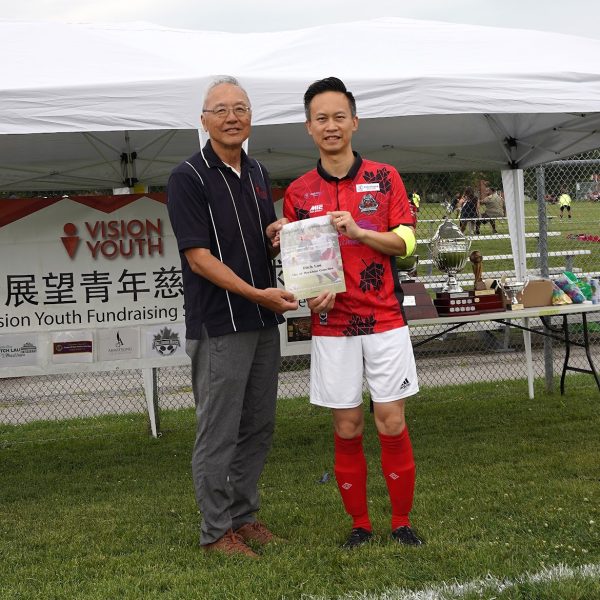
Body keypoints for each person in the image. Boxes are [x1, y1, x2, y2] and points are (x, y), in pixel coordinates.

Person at [283, 77, 423, 549]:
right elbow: (300, 267)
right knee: (347, 426)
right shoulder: (299, 193)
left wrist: (361, 233)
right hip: (332, 327)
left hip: (385, 320)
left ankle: (401, 521)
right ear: (308, 127)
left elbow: (406, 243)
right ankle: (360, 524)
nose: (331, 126)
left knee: (391, 421)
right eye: (321, 118)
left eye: (339, 117)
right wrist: (308, 296)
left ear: (355, 122)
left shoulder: (386, 177)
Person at [167, 75, 298, 558]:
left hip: (260, 321)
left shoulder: (258, 171)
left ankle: (244, 516)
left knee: (258, 425)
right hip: (220, 322)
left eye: (240, 108)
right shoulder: (188, 176)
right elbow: (198, 257)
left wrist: (276, 237)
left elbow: (253, 242)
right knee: (219, 431)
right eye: (220, 109)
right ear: (203, 121)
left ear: (251, 118)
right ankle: (215, 531)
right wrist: (258, 294)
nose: (231, 117)